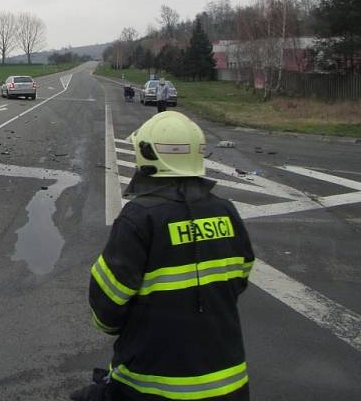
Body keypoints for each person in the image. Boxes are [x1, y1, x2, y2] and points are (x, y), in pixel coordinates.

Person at [78, 111, 254, 401]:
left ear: (147, 155)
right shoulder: (227, 212)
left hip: (149, 384)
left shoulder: (139, 218)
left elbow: (107, 304)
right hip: (230, 383)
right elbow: (240, 277)